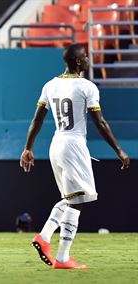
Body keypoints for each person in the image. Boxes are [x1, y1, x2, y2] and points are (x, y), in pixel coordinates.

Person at [20, 44, 130, 269]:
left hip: (56, 144)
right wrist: (118, 150)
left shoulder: (50, 85)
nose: (89, 60)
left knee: (72, 199)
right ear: (78, 61)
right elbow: (100, 122)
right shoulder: (86, 86)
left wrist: (28, 148)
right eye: (86, 57)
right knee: (78, 202)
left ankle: (45, 237)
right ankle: (62, 257)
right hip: (73, 145)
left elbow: (37, 119)